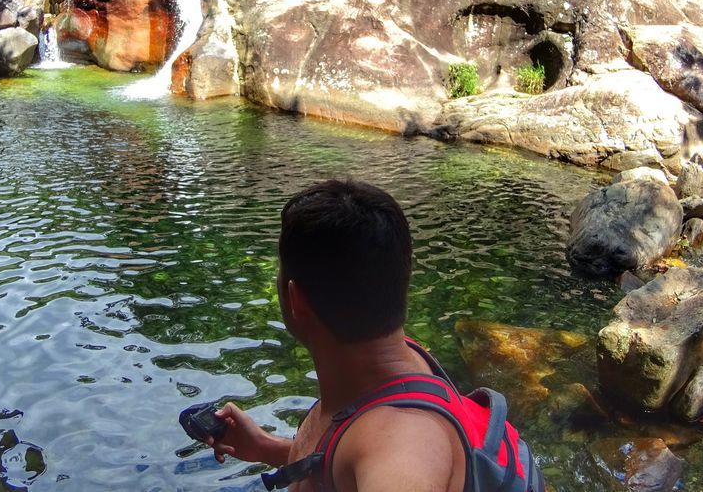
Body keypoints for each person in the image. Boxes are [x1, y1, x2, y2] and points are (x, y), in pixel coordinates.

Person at [201, 179, 543, 492]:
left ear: (295, 299)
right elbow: (345, 462)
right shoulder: (396, 359)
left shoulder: (402, 444)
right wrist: (265, 447)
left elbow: (397, 458)